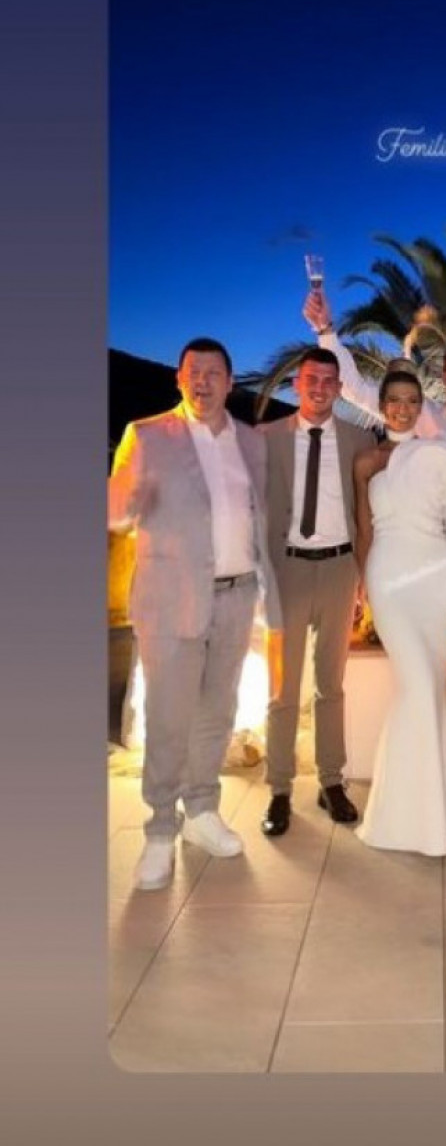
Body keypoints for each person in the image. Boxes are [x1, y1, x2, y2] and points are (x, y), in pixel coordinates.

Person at [303, 288, 446, 801]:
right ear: (444, 376)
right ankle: (417, 765)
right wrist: (326, 331)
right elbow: (357, 389)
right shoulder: (420, 414)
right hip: (415, 565)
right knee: (417, 669)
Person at [108, 338, 281, 891]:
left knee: (216, 712)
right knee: (168, 717)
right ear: (179, 380)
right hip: (172, 600)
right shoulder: (146, 436)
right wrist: (122, 497)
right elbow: (118, 512)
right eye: (192, 372)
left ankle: (203, 809)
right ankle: (160, 829)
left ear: (230, 382)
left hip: (236, 596)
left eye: (213, 372)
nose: (202, 381)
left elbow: (259, 514)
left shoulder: (251, 441)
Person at [353, 370, 446, 856]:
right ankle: (400, 818)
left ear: (420, 406)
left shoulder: (437, 456)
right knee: (419, 689)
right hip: (388, 579)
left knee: (426, 692)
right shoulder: (366, 460)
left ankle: (428, 813)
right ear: (381, 405)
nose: (402, 408)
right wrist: (364, 585)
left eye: (411, 400)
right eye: (394, 400)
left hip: (434, 581)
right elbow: (364, 527)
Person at [260, 347, 375, 836]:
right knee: (283, 689)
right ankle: (279, 789)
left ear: (340, 388)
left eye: (330, 380)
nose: (321, 387)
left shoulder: (359, 440)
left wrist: (365, 573)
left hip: (339, 570)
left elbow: (370, 507)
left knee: (331, 684)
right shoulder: (266, 438)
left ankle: (331, 782)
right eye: (312, 379)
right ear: (296, 385)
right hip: (286, 570)